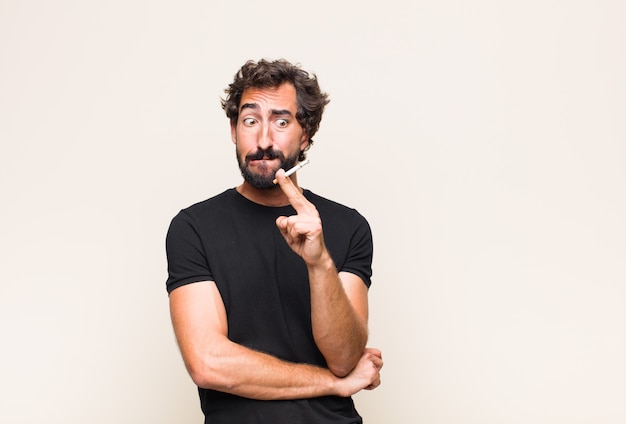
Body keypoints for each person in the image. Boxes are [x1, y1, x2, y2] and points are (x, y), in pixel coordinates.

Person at [165, 58, 383, 423]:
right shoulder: (193, 228)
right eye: (250, 121)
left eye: (281, 122)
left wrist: (319, 262)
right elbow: (208, 363)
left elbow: (345, 359)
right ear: (234, 130)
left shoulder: (349, 226)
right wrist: (332, 384)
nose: (264, 140)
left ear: (305, 134)